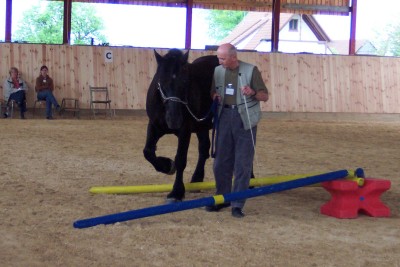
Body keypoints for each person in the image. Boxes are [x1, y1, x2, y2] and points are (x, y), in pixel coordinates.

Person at [207, 43, 269, 218]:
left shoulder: (251, 70)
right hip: (224, 116)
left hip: (245, 118)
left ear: (234, 57)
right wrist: (215, 96)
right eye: (219, 57)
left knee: (242, 164)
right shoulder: (218, 71)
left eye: (222, 58)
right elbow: (213, 91)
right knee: (220, 162)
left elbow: (265, 95)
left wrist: (252, 92)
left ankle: (237, 203)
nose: (219, 61)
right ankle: (223, 198)